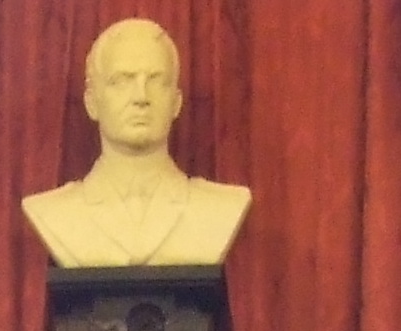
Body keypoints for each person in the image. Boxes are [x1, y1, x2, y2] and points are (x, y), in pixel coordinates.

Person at [20, 17, 251, 269]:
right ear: (91, 102)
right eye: (121, 81)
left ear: (176, 102)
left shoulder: (219, 208)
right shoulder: (54, 211)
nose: (141, 97)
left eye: (156, 80)